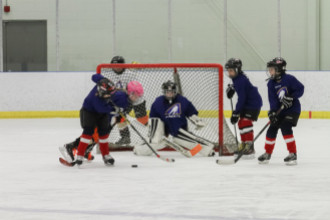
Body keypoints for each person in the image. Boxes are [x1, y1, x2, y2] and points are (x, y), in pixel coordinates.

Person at [59, 79, 144, 166]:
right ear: (130, 92)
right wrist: (113, 113)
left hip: (106, 118)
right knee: (93, 136)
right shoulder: (120, 96)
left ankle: (85, 150)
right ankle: (70, 146)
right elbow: (106, 102)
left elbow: (117, 109)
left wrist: (117, 116)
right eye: (136, 95)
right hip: (98, 115)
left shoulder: (127, 99)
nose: (137, 98)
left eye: (139, 96)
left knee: (100, 137)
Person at [133, 80, 214, 157]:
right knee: (155, 141)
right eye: (167, 92)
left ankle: (208, 150)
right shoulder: (158, 102)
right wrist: (157, 133)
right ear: (164, 92)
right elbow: (154, 119)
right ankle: (139, 149)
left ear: (175, 91)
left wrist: (196, 119)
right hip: (163, 133)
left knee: (190, 142)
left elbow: (191, 112)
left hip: (178, 131)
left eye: (172, 92)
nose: (170, 94)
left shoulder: (182, 100)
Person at [258, 57, 304, 165]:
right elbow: (273, 100)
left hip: (293, 109)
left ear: (279, 69)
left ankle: (293, 153)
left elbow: (300, 89)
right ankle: (267, 153)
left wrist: (291, 97)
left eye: (272, 69)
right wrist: (273, 112)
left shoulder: (289, 79)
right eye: (269, 69)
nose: (270, 72)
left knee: (285, 126)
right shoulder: (271, 84)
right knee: (272, 128)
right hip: (280, 110)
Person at [101, 56, 148, 147]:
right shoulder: (108, 76)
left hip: (136, 98)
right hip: (123, 100)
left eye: (119, 65)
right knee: (119, 116)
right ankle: (125, 137)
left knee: (141, 118)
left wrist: (126, 93)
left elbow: (136, 89)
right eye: (114, 65)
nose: (117, 67)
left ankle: (153, 134)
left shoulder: (130, 74)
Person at [225, 58, 263, 158]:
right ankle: (244, 144)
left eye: (231, 70)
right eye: (228, 70)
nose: (229, 73)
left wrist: (236, 112)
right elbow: (239, 87)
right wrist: (232, 88)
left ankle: (250, 146)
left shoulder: (241, 80)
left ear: (237, 70)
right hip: (247, 103)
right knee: (241, 123)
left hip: (253, 103)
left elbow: (242, 98)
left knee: (246, 122)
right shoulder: (237, 78)